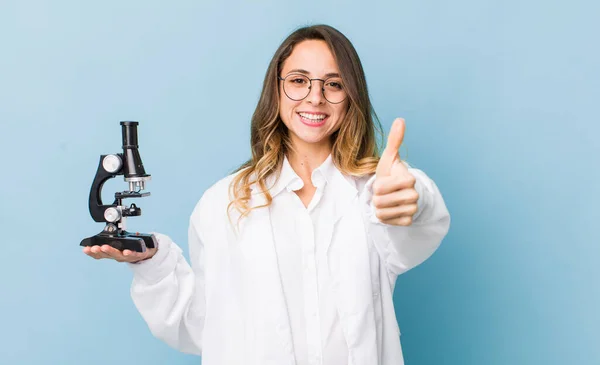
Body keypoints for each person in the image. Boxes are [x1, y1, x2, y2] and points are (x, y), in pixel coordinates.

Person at [83, 24, 450, 365]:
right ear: (276, 89)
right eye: (298, 80)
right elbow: (204, 328)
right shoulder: (224, 203)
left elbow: (417, 231)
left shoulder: (372, 192)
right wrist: (152, 264)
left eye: (333, 84)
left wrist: (411, 196)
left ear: (351, 95)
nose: (315, 97)